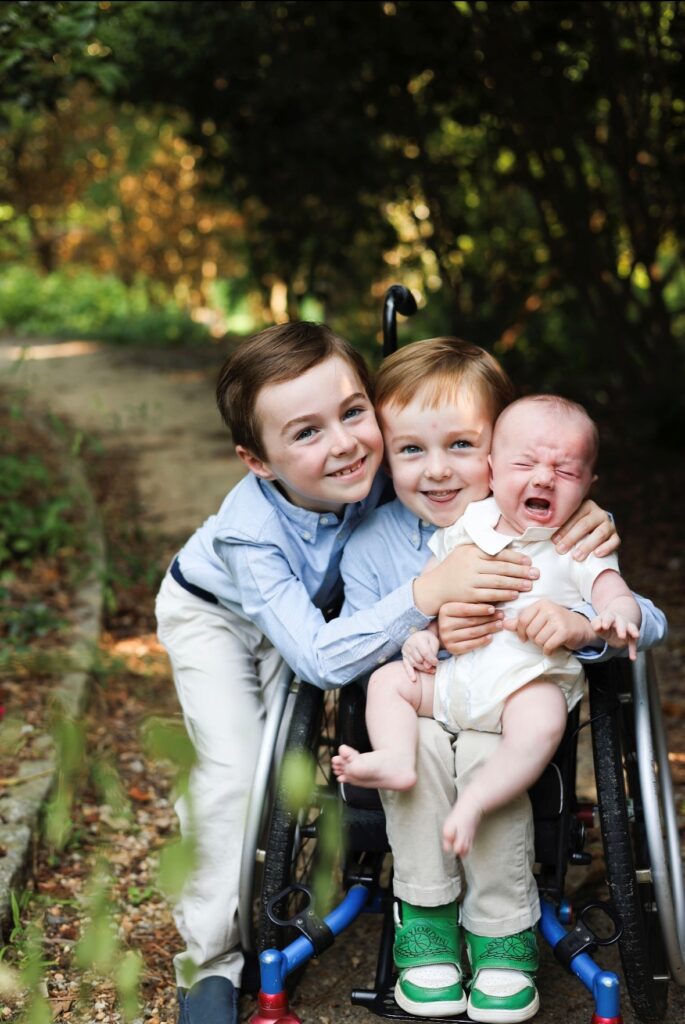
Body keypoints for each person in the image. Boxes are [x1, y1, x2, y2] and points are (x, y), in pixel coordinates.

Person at [156, 323, 587, 1024]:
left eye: (353, 413)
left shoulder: (393, 459)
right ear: (256, 459)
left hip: (332, 613)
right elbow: (321, 659)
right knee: (236, 775)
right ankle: (210, 961)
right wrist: (425, 596)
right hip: (224, 618)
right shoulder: (248, 536)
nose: (345, 443)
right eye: (305, 433)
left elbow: (483, 463)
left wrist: (579, 516)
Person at [334, 338, 666, 1022]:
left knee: (490, 754)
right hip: (428, 703)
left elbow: (638, 614)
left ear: (492, 452)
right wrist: (425, 632)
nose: (437, 472)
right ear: (382, 455)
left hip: (507, 709)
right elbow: (353, 659)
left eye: (461, 446)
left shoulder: (558, 527)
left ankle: (500, 929)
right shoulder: (374, 544)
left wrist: (580, 619)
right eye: (410, 450)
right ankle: (424, 917)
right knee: (418, 744)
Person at [333, 394, 641, 861]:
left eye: (566, 472)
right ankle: (394, 758)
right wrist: (425, 637)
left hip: (524, 683)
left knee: (543, 716)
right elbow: (434, 597)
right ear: (493, 470)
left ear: (588, 486)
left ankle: (478, 801)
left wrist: (599, 622)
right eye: (527, 464)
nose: (543, 478)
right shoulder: (469, 523)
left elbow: (615, 594)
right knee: (388, 679)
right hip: (454, 678)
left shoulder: (579, 542)